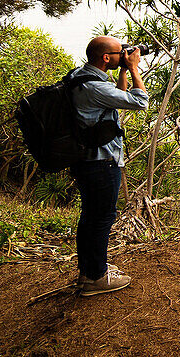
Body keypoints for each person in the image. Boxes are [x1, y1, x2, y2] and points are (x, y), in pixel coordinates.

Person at [66, 35, 148, 296]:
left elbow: (117, 97)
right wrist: (134, 68)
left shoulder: (79, 76)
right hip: (101, 162)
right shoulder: (95, 87)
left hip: (85, 159)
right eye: (119, 52)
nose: (124, 54)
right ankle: (96, 278)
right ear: (105, 58)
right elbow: (139, 102)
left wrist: (122, 70)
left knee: (90, 217)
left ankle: (89, 270)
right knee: (102, 218)